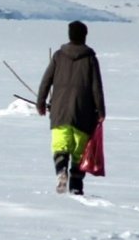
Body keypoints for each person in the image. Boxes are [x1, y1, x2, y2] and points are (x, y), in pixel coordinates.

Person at [36, 20, 106, 195]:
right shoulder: (90, 59)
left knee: (60, 144)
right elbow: (96, 87)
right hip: (84, 112)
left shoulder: (59, 56)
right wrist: (101, 111)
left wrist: (41, 103)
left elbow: (46, 81)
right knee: (79, 151)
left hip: (60, 110)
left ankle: (61, 172)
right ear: (84, 36)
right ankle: (76, 185)